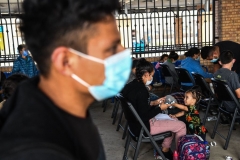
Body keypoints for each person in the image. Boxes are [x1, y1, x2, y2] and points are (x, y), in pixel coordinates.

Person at [0, 0, 132, 160]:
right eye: (111, 48)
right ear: (65, 62)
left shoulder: (63, 106)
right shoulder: (36, 151)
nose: (124, 53)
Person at [121, 58, 186, 160]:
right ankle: (181, 155)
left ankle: (164, 152)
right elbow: (144, 115)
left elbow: (137, 105)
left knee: (173, 120)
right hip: (143, 127)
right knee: (181, 125)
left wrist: (153, 103)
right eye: (151, 75)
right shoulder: (142, 91)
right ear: (146, 74)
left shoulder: (130, 86)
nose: (151, 78)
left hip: (133, 125)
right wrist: (160, 108)